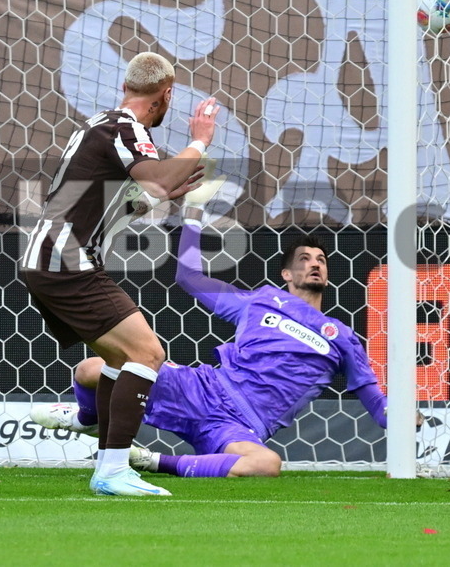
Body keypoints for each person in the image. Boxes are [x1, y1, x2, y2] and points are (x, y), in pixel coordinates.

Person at [32, 179, 389, 479]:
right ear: (286, 274)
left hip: (240, 426)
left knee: (267, 464)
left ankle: (152, 461)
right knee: (90, 370)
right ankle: (86, 418)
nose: (315, 265)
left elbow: (373, 398)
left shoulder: (340, 336)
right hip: (201, 388)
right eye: (305, 259)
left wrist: (402, 418)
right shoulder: (259, 302)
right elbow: (188, 277)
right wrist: (193, 212)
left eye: (322, 260)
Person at [21, 52, 219, 496]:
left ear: (126, 86)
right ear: (165, 95)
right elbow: (157, 177)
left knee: (119, 359)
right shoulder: (125, 127)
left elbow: (110, 198)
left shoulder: (100, 124)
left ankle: (105, 455)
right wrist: (200, 140)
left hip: (54, 258)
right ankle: (111, 469)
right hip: (67, 260)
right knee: (148, 354)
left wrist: (153, 198)